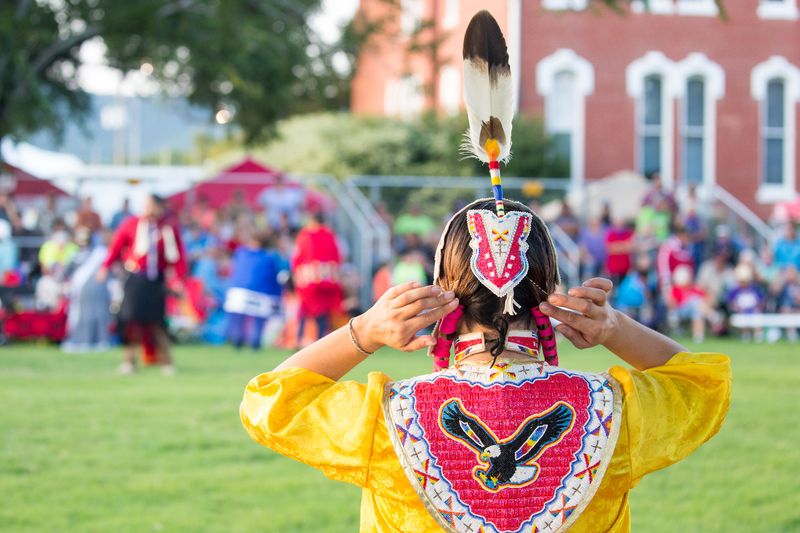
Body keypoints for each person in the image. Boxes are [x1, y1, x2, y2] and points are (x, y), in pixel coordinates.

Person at [240, 15, 730, 530]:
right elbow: (702, 385)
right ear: (548, 292)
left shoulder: (387, 420)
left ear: (443, 293)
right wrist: (614, 329)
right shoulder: (609, 414)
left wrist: (364, 332)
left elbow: (270, 401)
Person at [98, 194, 187, 375]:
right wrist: (105, 267)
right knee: (131, 320)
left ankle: (166, 362)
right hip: (135, 278)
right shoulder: (132, 224)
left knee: (157, 322)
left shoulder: (168, 228)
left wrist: (178, 279)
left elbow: (178, 257)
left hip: (157, 280)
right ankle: (129, 361)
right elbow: (116, 247)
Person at [224, 230, 287, 350]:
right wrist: (278, 294)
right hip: (261, 294)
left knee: (238, 318)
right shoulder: (269, 258)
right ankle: (255, 342)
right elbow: (274, 277)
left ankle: (238, 340)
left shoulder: (240, 253)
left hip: (238, 292)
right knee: (259, 319)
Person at [291, 212, 343, 346]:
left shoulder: (305, 235)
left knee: (304, 309)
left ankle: (299, 339)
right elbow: (337, 256)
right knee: (323, 311)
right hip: (327, 280)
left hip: (308, 280)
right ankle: (319, 341)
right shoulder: (330, 235)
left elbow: (297, 257)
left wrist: (296, 275)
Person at [62, 227, 112, 352]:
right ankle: (83, 340)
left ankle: (100, 340)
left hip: (98, 290)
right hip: (82, 291)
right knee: (82, 315)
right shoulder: (75, 256)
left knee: (99, 314)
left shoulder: (100, 254)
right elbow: (65, 274)